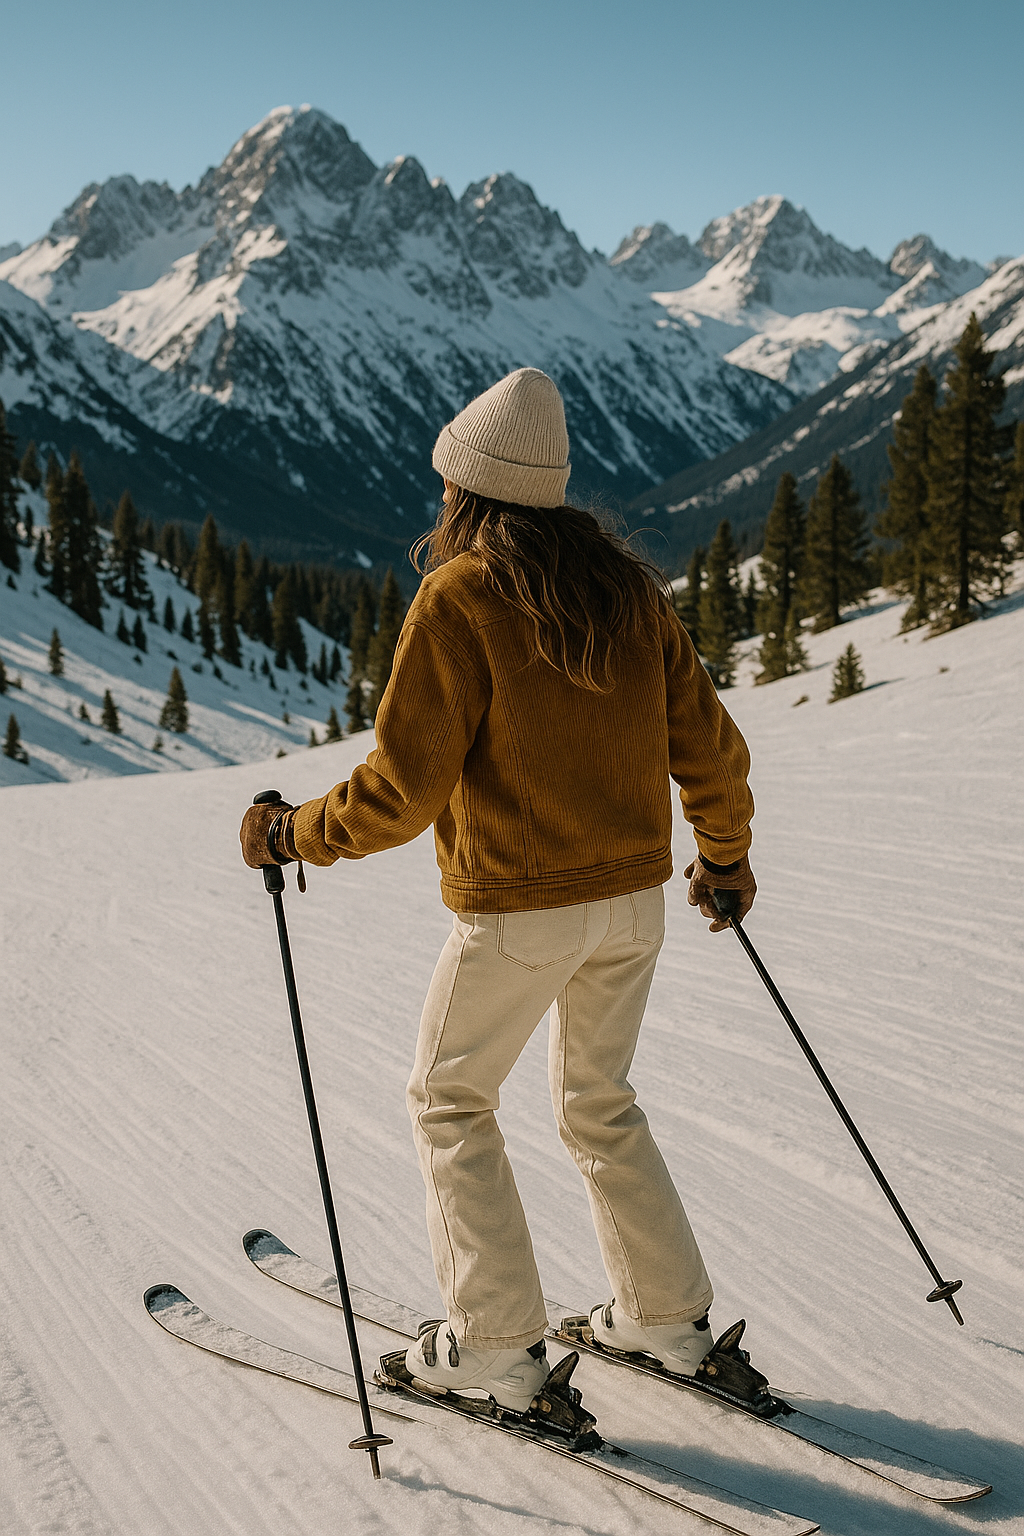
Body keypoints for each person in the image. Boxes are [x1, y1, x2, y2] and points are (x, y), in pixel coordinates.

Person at [240, 367, 757, 1420]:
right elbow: (707, 743)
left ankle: (493, 1349)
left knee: (449, 1100)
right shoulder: (627, 589)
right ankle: (666, 1319)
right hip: (633, 905)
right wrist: (726, 855)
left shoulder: (462, 593)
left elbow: (401, 786)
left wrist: (295, 833)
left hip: (519, 912)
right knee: (598, 1103)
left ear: (466, 490)